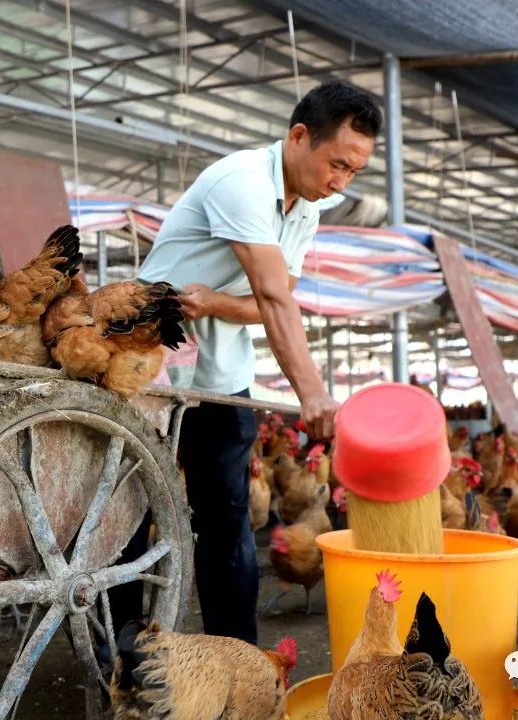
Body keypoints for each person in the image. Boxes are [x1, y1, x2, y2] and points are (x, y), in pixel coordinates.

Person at [118, 81, 382, 644]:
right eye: (336, 164)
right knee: (129, 515)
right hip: (149, 359)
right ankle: (120, 653)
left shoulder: (307, 205)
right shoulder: (242, 182)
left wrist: (214, 302)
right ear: (299, 136)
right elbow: (273, 296)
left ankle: (237, 659)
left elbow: (269, 302)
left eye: (354, 173)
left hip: (222, 370)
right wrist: (313, 392)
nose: (340, 182)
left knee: (228, 516)